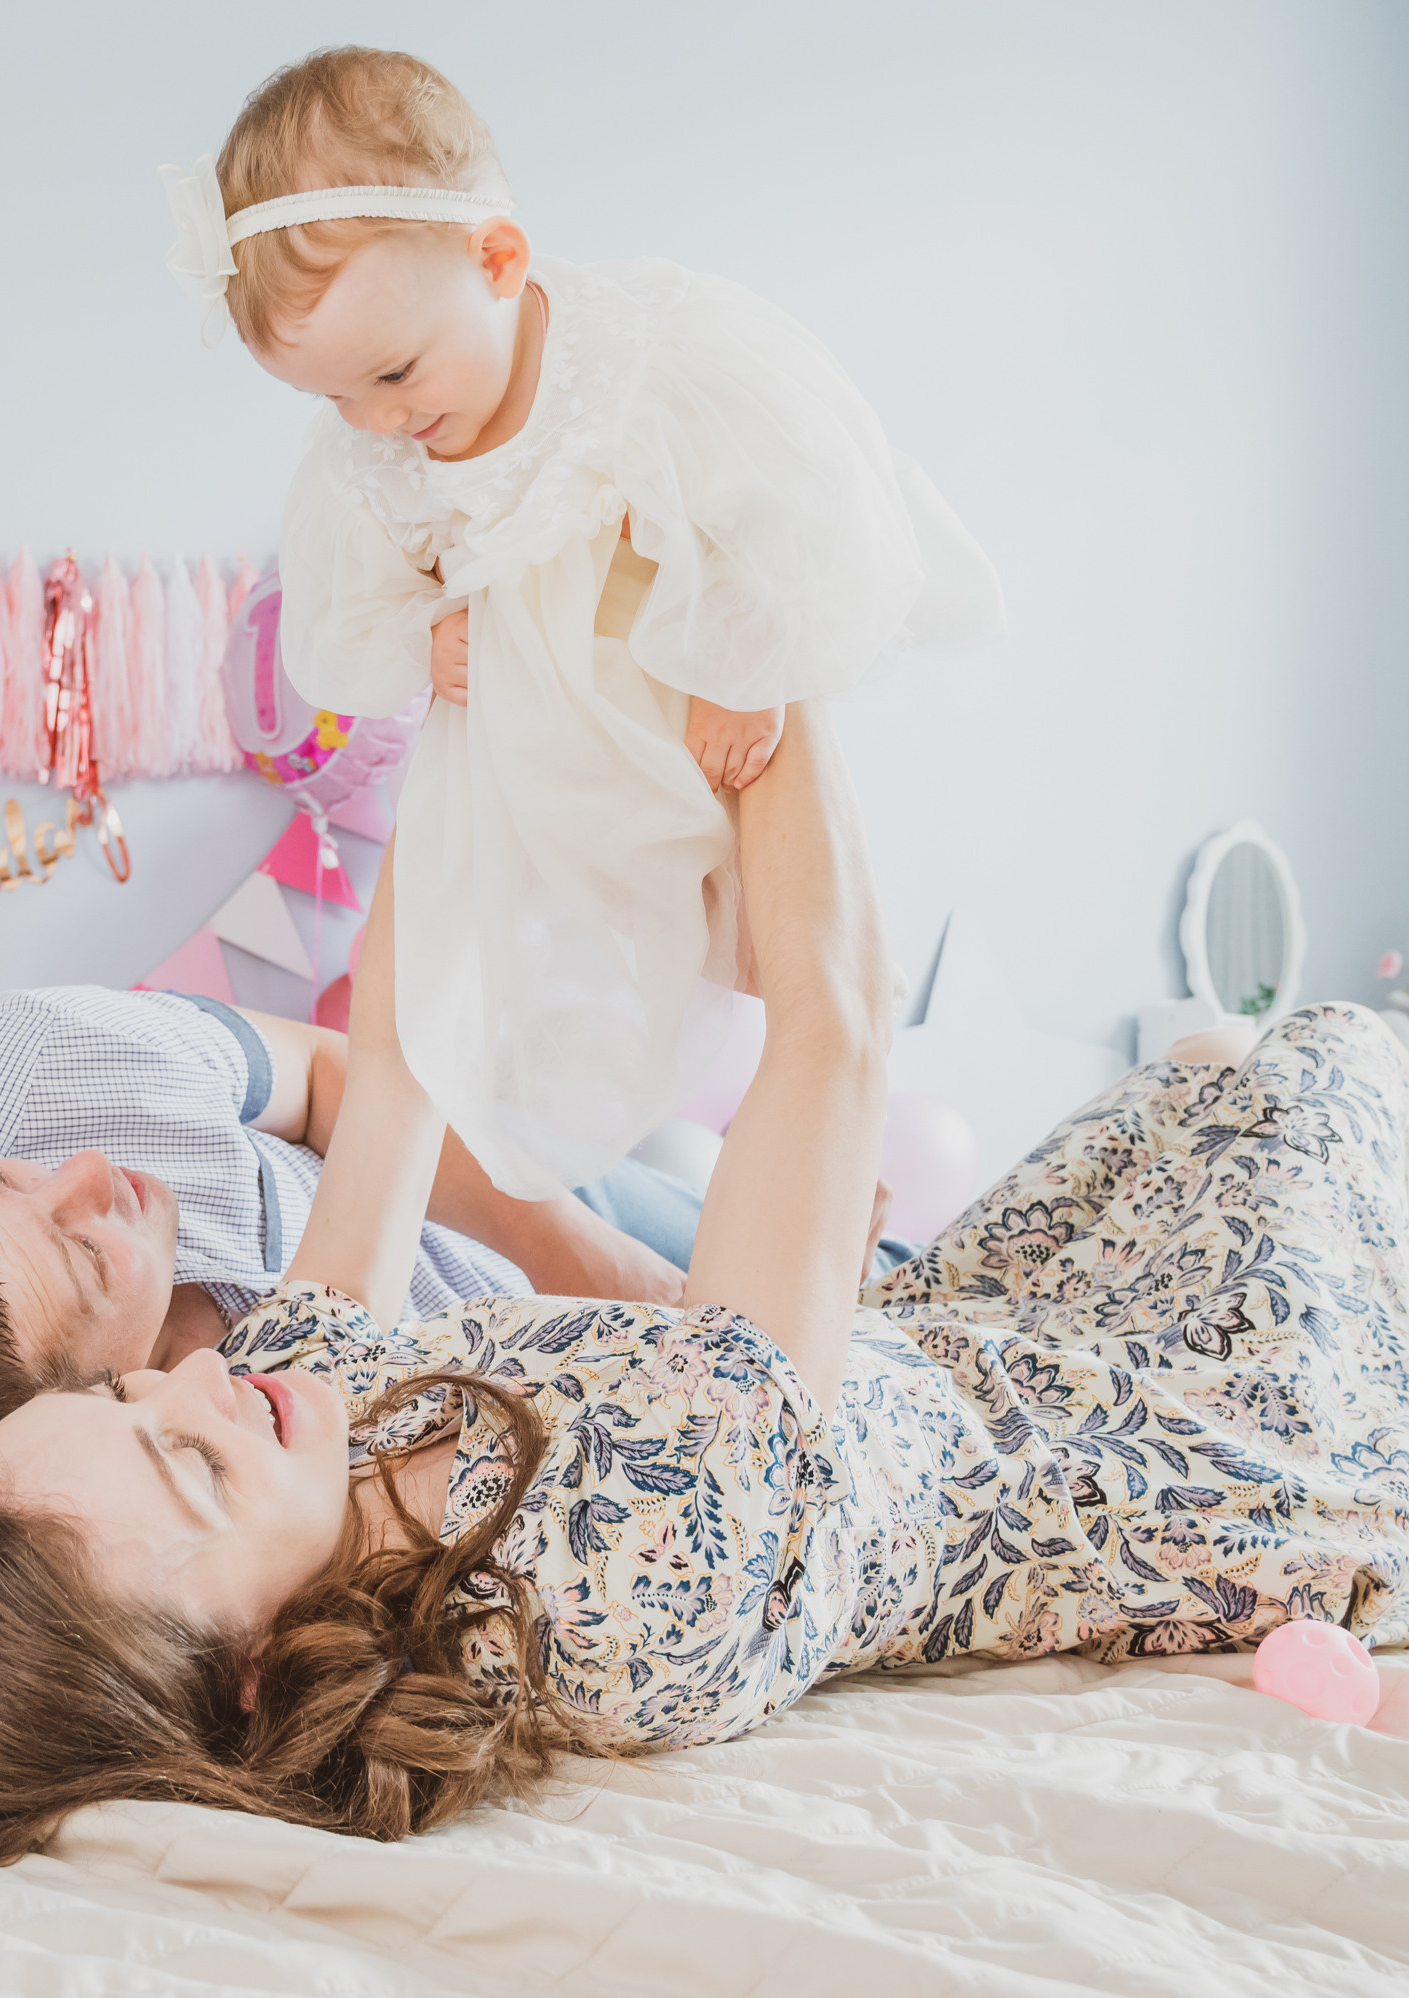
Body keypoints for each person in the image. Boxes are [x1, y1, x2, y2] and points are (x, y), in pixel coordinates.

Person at [0, 703, 1409, 1861]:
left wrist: (460, 714)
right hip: (1160, 1440)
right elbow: (834, 1018)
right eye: (178, 1449)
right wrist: (777, 695)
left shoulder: (294, 1445)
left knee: (1211, 1089)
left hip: (959, 1332)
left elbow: (389, 1073)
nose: (191, 1377)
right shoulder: (621, 1570)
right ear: (246, 1672)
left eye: (122, 1390)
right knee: (1322, 1067)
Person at [156, 48, 1007, 1201]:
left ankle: (829, 1183)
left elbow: (804, 498)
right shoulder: (371, 453)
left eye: (394, 372)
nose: (376, 417)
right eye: (333, 394)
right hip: (533, 746)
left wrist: (747, 658)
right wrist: (422, 640)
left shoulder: (638, 362)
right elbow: (347, 598)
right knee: (508, 988)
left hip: (682, 688)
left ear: (496, 259)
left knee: (784, 952)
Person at [0, 982, 710, 1527]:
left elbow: (344, 1073)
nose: (90, 1174)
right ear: (99, 1409)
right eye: (88, 1259)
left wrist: (599, 1265)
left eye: (1, 1181)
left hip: (501, 1194)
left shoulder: (41, 1064)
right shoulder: (202, 1490)